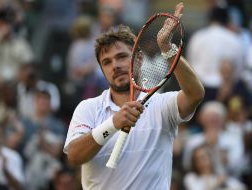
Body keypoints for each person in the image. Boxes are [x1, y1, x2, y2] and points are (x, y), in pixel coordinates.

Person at [64, 2, 205, 190]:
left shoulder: (161, 104)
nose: (115, 65)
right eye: (107, 62)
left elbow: (195, 94)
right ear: (102, 70)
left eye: (122, 57)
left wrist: (167, 48)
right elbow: (74, 155)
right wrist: (113, 124)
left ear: (138, 58)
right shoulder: (88, 108)